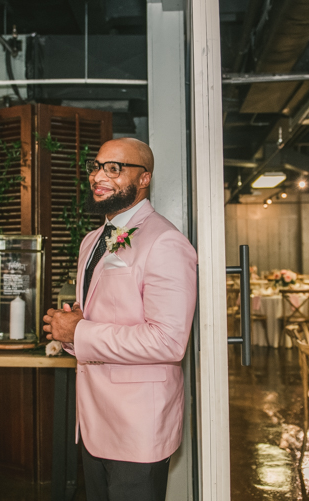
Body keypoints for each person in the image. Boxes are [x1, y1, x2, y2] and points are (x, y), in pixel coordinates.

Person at [43, 137, 197, 501]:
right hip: (93, 421)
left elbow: (168, 341)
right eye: (96, 166)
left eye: (114, 168)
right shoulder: (92, 240)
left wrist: (80, 332)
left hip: (137, 425)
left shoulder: (166, 242)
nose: (99, 176)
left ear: (144, 179)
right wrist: (70, 331)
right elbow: (99, 317)